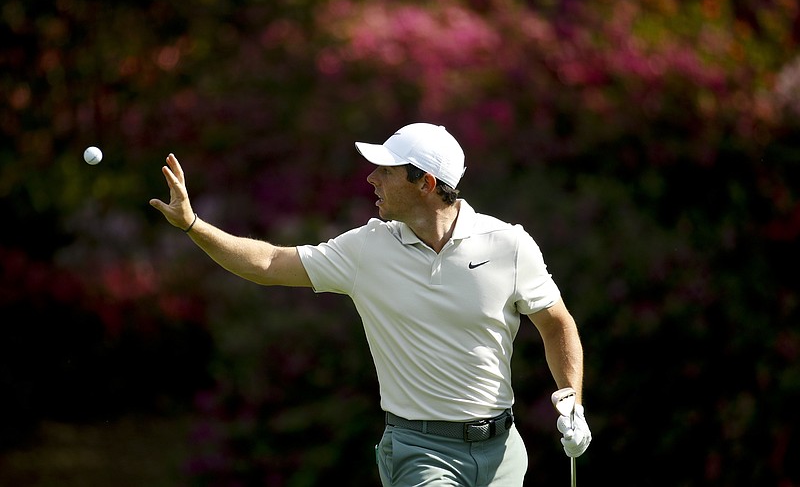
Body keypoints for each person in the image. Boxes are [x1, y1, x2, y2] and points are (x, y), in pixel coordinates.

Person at [149, 123, 591, 486]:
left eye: (387, 171)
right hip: (420, 451)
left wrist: (573, 400)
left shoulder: (509, 244)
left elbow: (556, 324)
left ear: (427, 184)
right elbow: (268, 263)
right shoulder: (366, 249)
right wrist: (192, 224)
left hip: (502, 452)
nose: (371, 179)